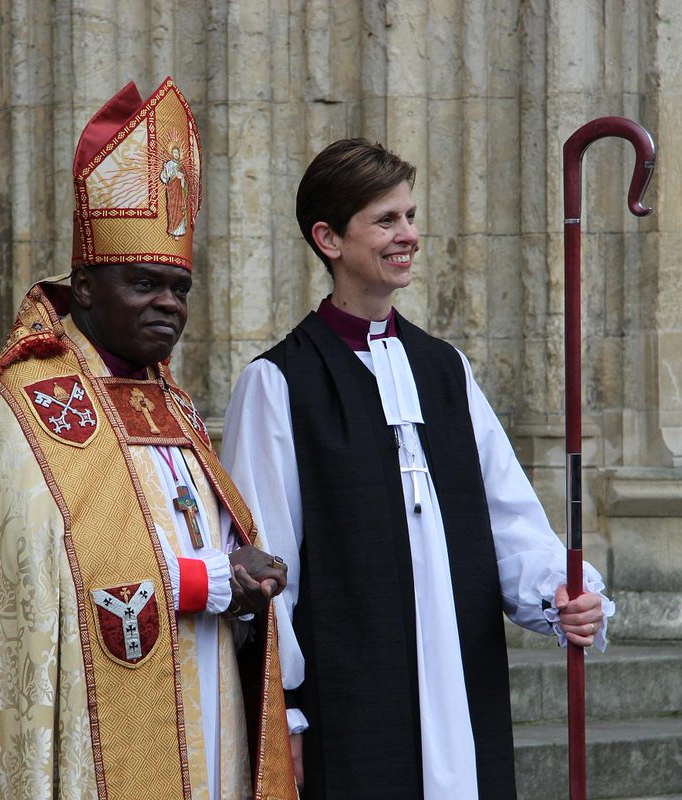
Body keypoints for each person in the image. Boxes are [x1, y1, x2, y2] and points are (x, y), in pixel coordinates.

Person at [0, 77, 297, 800]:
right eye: (144, 283)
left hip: (208, 706)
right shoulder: (28, 402)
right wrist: (210, 578)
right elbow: (38, 585)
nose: (169, 305)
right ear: (83, 286)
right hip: (93, 724)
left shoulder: (171, 400)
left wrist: (244, 584)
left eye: (179, 288)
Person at [221, 138, 615, 799]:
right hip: (350, 695)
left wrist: (562, 594)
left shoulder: (444, 369)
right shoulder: (277, 383)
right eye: (386, 220)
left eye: (410, 216)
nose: (409, 235)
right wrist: (282, 710)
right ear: (328, 238)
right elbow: (265, 566)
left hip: (462, 679)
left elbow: (507, 518)